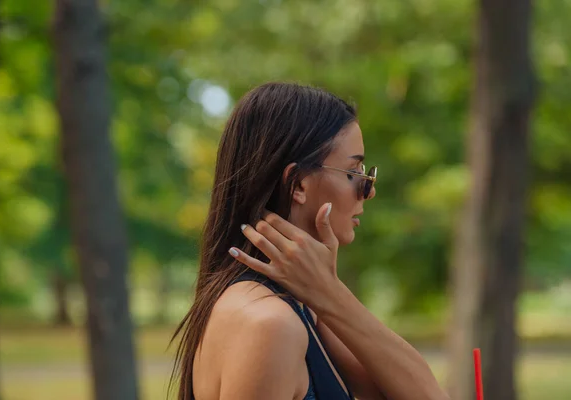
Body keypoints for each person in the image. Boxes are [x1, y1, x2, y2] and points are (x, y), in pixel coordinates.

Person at [170, 82, 449, 400]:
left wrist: (327, 291)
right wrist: (328, 292)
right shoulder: (270, 324)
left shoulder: (300, 305)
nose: (369, 191)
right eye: (353, 173)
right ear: (298, 184)